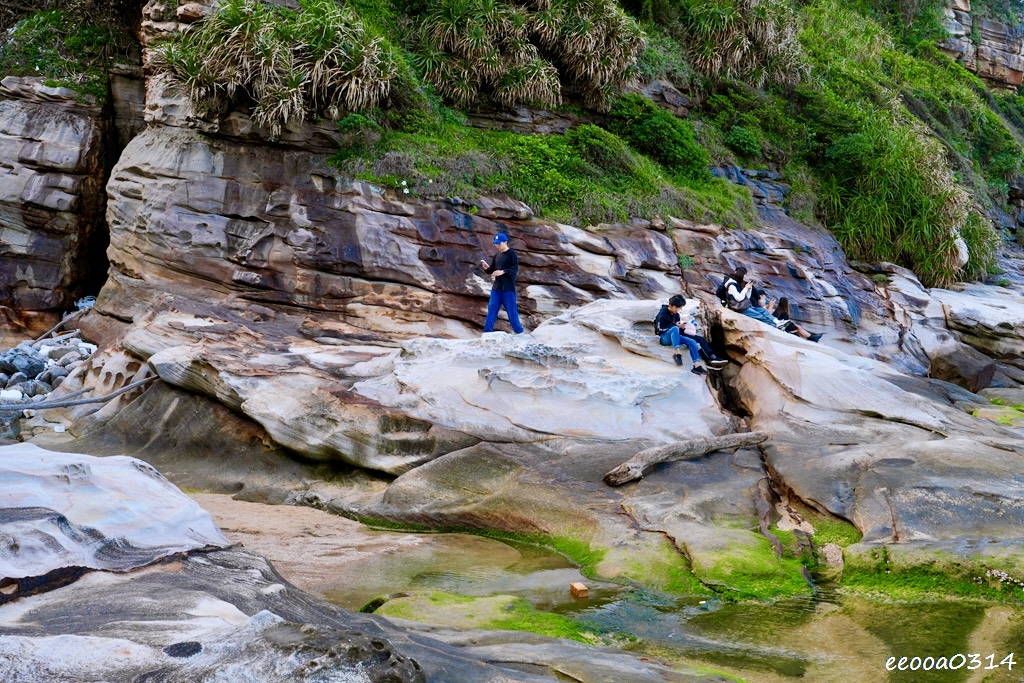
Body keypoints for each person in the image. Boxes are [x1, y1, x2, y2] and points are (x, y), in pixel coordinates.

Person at [654, 295, 718, 375]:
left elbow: (678, 331)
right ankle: (677, 354)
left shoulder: (676, 315)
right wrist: (675, 326)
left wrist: (682, 327)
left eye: (680, 308)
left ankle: (696, 366)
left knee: (692, 342)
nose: (678, 310)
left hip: (675, 337)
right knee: (674, 328)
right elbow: (658, 330)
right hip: (664, 338)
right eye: (677, 308)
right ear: (671, 306)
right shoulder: (662, 313)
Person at [481, 232, 525, 334]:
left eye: (499, 243)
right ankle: (487, 333)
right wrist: (487, 269)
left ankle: (519, 332)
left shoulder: (511, 254)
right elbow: (492, 269)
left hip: (508, 289)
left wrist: (503, 271)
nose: (497, 246)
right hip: (496, 288)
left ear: (505, 242)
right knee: (492, 309)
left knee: (511, 312)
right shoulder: (497, 255)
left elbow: (514, 269)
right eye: (496, 244)